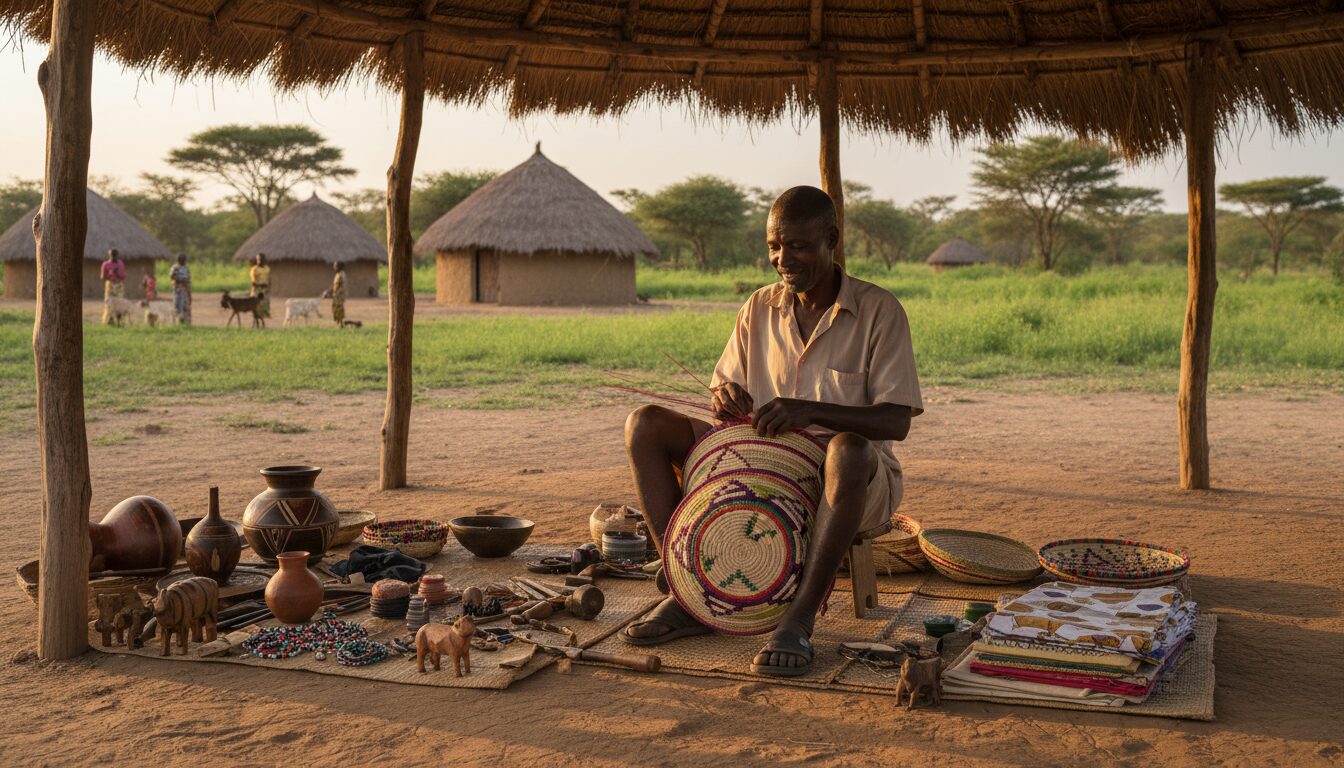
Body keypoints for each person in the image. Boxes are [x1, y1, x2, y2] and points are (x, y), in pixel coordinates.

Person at [619, 186, 923, 677]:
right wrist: (725, 400)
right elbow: (725, 390)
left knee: (846, 451)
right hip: (758, 463)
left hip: (848, 482)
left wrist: (807, 411)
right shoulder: (758, 307)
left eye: (799, 246)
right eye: (774, 247)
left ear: (832, 239)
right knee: (645, 425)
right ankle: (688, 590)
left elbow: (897, 421)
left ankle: (798, 619)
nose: (784, 259)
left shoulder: (879, 312)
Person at [100, 249, 126, 325]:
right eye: (112, 255)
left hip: (119, 285)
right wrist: (109, 275)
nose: (114, 257)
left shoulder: (121, 264)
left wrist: (117, 274)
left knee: (119, 303)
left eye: (115, 255)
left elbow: (123, 277)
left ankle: (119, 321)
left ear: (117, 255)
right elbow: (102, 277)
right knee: (109, 303)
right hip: (110, 285)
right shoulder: (105, 264)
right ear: (109, 255)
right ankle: (110, 321)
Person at [169, 253, 192, 325]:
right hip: (178, 289)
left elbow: (188, 280)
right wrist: (179, 284)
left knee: (185, 305)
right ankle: (177, 321)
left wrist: (189, 292)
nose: (184, 261)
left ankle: (185, 322)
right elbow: (172, 278)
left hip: (185, 289)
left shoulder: (186, 268)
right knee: (177, 305)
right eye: (183, 260)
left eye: (184, 260)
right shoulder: (175, 268)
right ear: (179, 260)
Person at [249, 253, 271, 320]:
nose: (260, 260)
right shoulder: (254, 269)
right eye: (258, 259)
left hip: (265, 291)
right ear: (257, 259)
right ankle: (256, 322)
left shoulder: (267, 268)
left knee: (264, 307)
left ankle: (262, 323)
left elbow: (269, 279)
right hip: (256, 291)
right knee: (256, 307)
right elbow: (253, 282)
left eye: (262, 259)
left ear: (265, 260)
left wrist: (268, 288)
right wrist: (261, 285)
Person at [329, 261, 347, 327]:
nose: (334, 267)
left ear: (339, 267)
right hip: (335, 295)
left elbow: (343, 286)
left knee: (339, 309)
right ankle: (339, 323)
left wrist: (337, 293)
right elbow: (334, 285)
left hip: (340, 295)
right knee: (335, 308)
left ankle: (341, 324)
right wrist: (330, 291)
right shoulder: (337, 275)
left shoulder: (342, 275)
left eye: (335, 266)